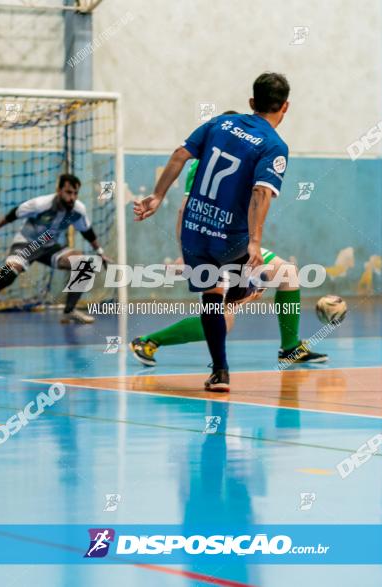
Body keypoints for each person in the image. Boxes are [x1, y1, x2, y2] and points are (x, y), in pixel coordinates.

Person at [133, 72, 291, 391]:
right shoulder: (274, 145)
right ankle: (243, 284)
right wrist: (256, 243)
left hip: (195, 230)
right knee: (256, 276)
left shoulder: (219, 123)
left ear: (251, 102)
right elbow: (261, 193)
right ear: (285, 107)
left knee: (212, 300)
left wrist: (157, 195)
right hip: (231, 235)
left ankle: (220, 371)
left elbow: (180, 155)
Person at [129, 129, 326, 367]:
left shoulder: (241, 159)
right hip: (212, 243)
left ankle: (290, 348)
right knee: (224, 317)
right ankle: (149, 341)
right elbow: (184, 208)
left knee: (287, 274)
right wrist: (187, 255)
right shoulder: (204, 164)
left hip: (236, 243)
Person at [0, 173, 109, 325]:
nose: (72, 197)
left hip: (49, 246)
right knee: (9, 273)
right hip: (28, 243)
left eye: (75, 193)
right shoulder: (40, 204)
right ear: (59, 190)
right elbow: (15, 213)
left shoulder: (78, 211)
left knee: (84, 263)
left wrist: (100, 252)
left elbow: (87, 232)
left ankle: (69, 312)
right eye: (69, 192)